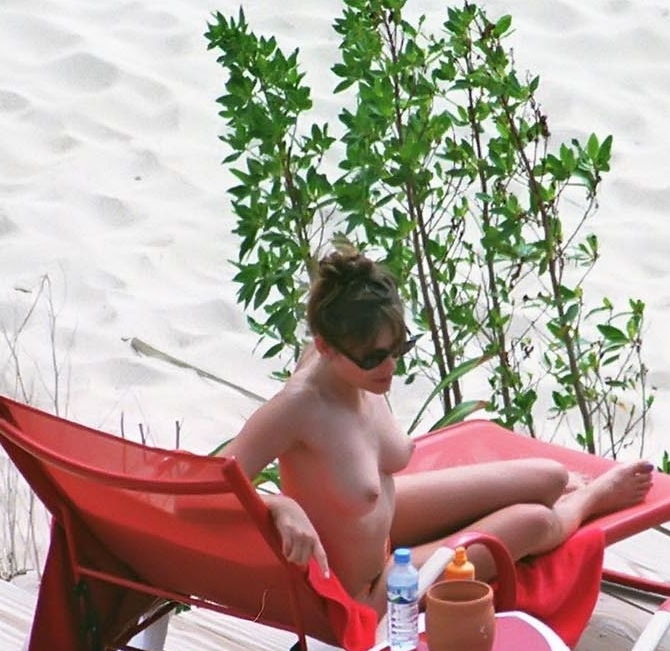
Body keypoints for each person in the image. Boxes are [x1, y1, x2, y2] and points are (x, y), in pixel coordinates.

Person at [222, 250, 654, 618]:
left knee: (549, 476)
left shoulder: (355, 368)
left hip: (384, 518)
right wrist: (279, 505)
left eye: (398, 349)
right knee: (535, 520)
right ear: (325, 347)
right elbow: (205, 490)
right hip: (367, 591)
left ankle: (560, 493)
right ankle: (592, 499)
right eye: (374, 358)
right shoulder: (299, 406)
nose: (390, 368)